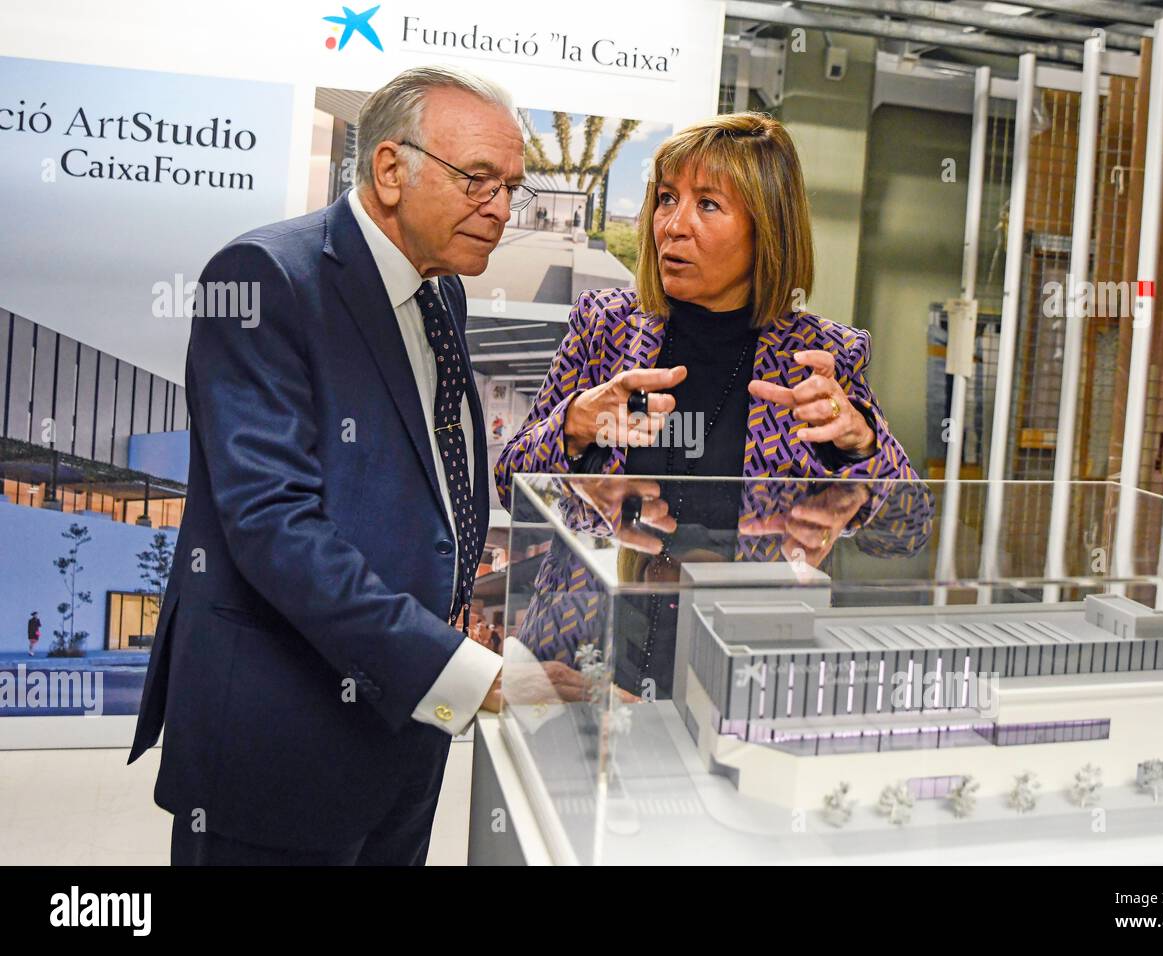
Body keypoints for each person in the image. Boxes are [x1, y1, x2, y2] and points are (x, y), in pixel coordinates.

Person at [128, 65, 533, 865]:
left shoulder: (440, 290)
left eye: (512, 187)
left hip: (405, 727)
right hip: (281, 742)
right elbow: (275, 526)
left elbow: (429, 486)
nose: (501, 210)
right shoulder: (263, 279)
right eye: (477, 180)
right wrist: (459, 671)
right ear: (390, 169)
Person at [495, 111, 922, 695]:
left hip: (740, 674)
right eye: (666, 199)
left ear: (767, 228)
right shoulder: (605, 327)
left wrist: (862, 445)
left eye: (708, 205)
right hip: (584, 661)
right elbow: (508, 489)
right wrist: (571, 426)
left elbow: (904, 533)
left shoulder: (822, 356)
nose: (673, 224)